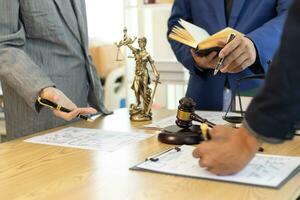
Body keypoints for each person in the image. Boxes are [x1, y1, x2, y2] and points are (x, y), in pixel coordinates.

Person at [192, 0, 300, 175]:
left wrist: (247, 139)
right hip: (205, 94)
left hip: (259, 91)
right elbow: (177, 22)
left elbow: (293, 25)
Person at [0, 0, 110, 140]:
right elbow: (3, 46)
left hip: (82, 111)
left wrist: (98, 103)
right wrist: (47, 91)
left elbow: (78, 44)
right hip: (39, 116)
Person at [167, 0, 292, 110]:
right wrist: (194, 59)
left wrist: (255, 44)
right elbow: (176, 26)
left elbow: (292, 17)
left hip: (260, 93)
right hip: (203, 96)